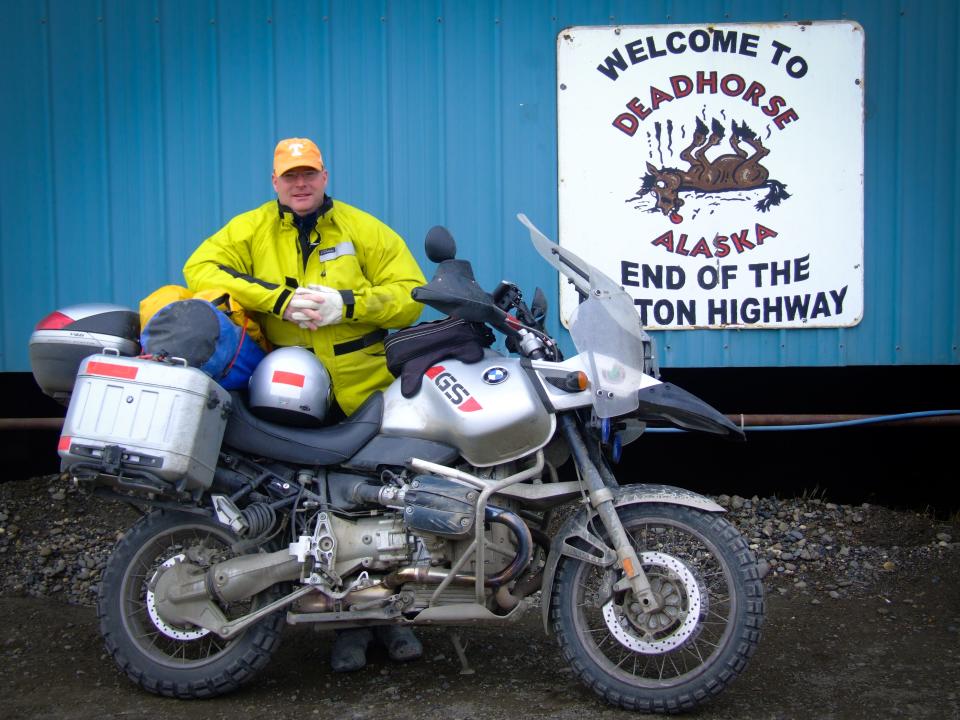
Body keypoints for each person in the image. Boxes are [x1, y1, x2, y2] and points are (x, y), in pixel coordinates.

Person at [183, 137, 426, 671]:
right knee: (312, 506)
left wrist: (349, 303)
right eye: (290, 176)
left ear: (324, 177)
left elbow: (411, 294)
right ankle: (343, 626)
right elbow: (200, 270)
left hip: (367, 389)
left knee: (379, 502)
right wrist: (275, 299)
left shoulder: (363, 229)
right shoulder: (250, 230)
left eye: (309, 174)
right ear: (275, 183)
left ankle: (391, 617)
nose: (300, 184)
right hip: (290, 394)